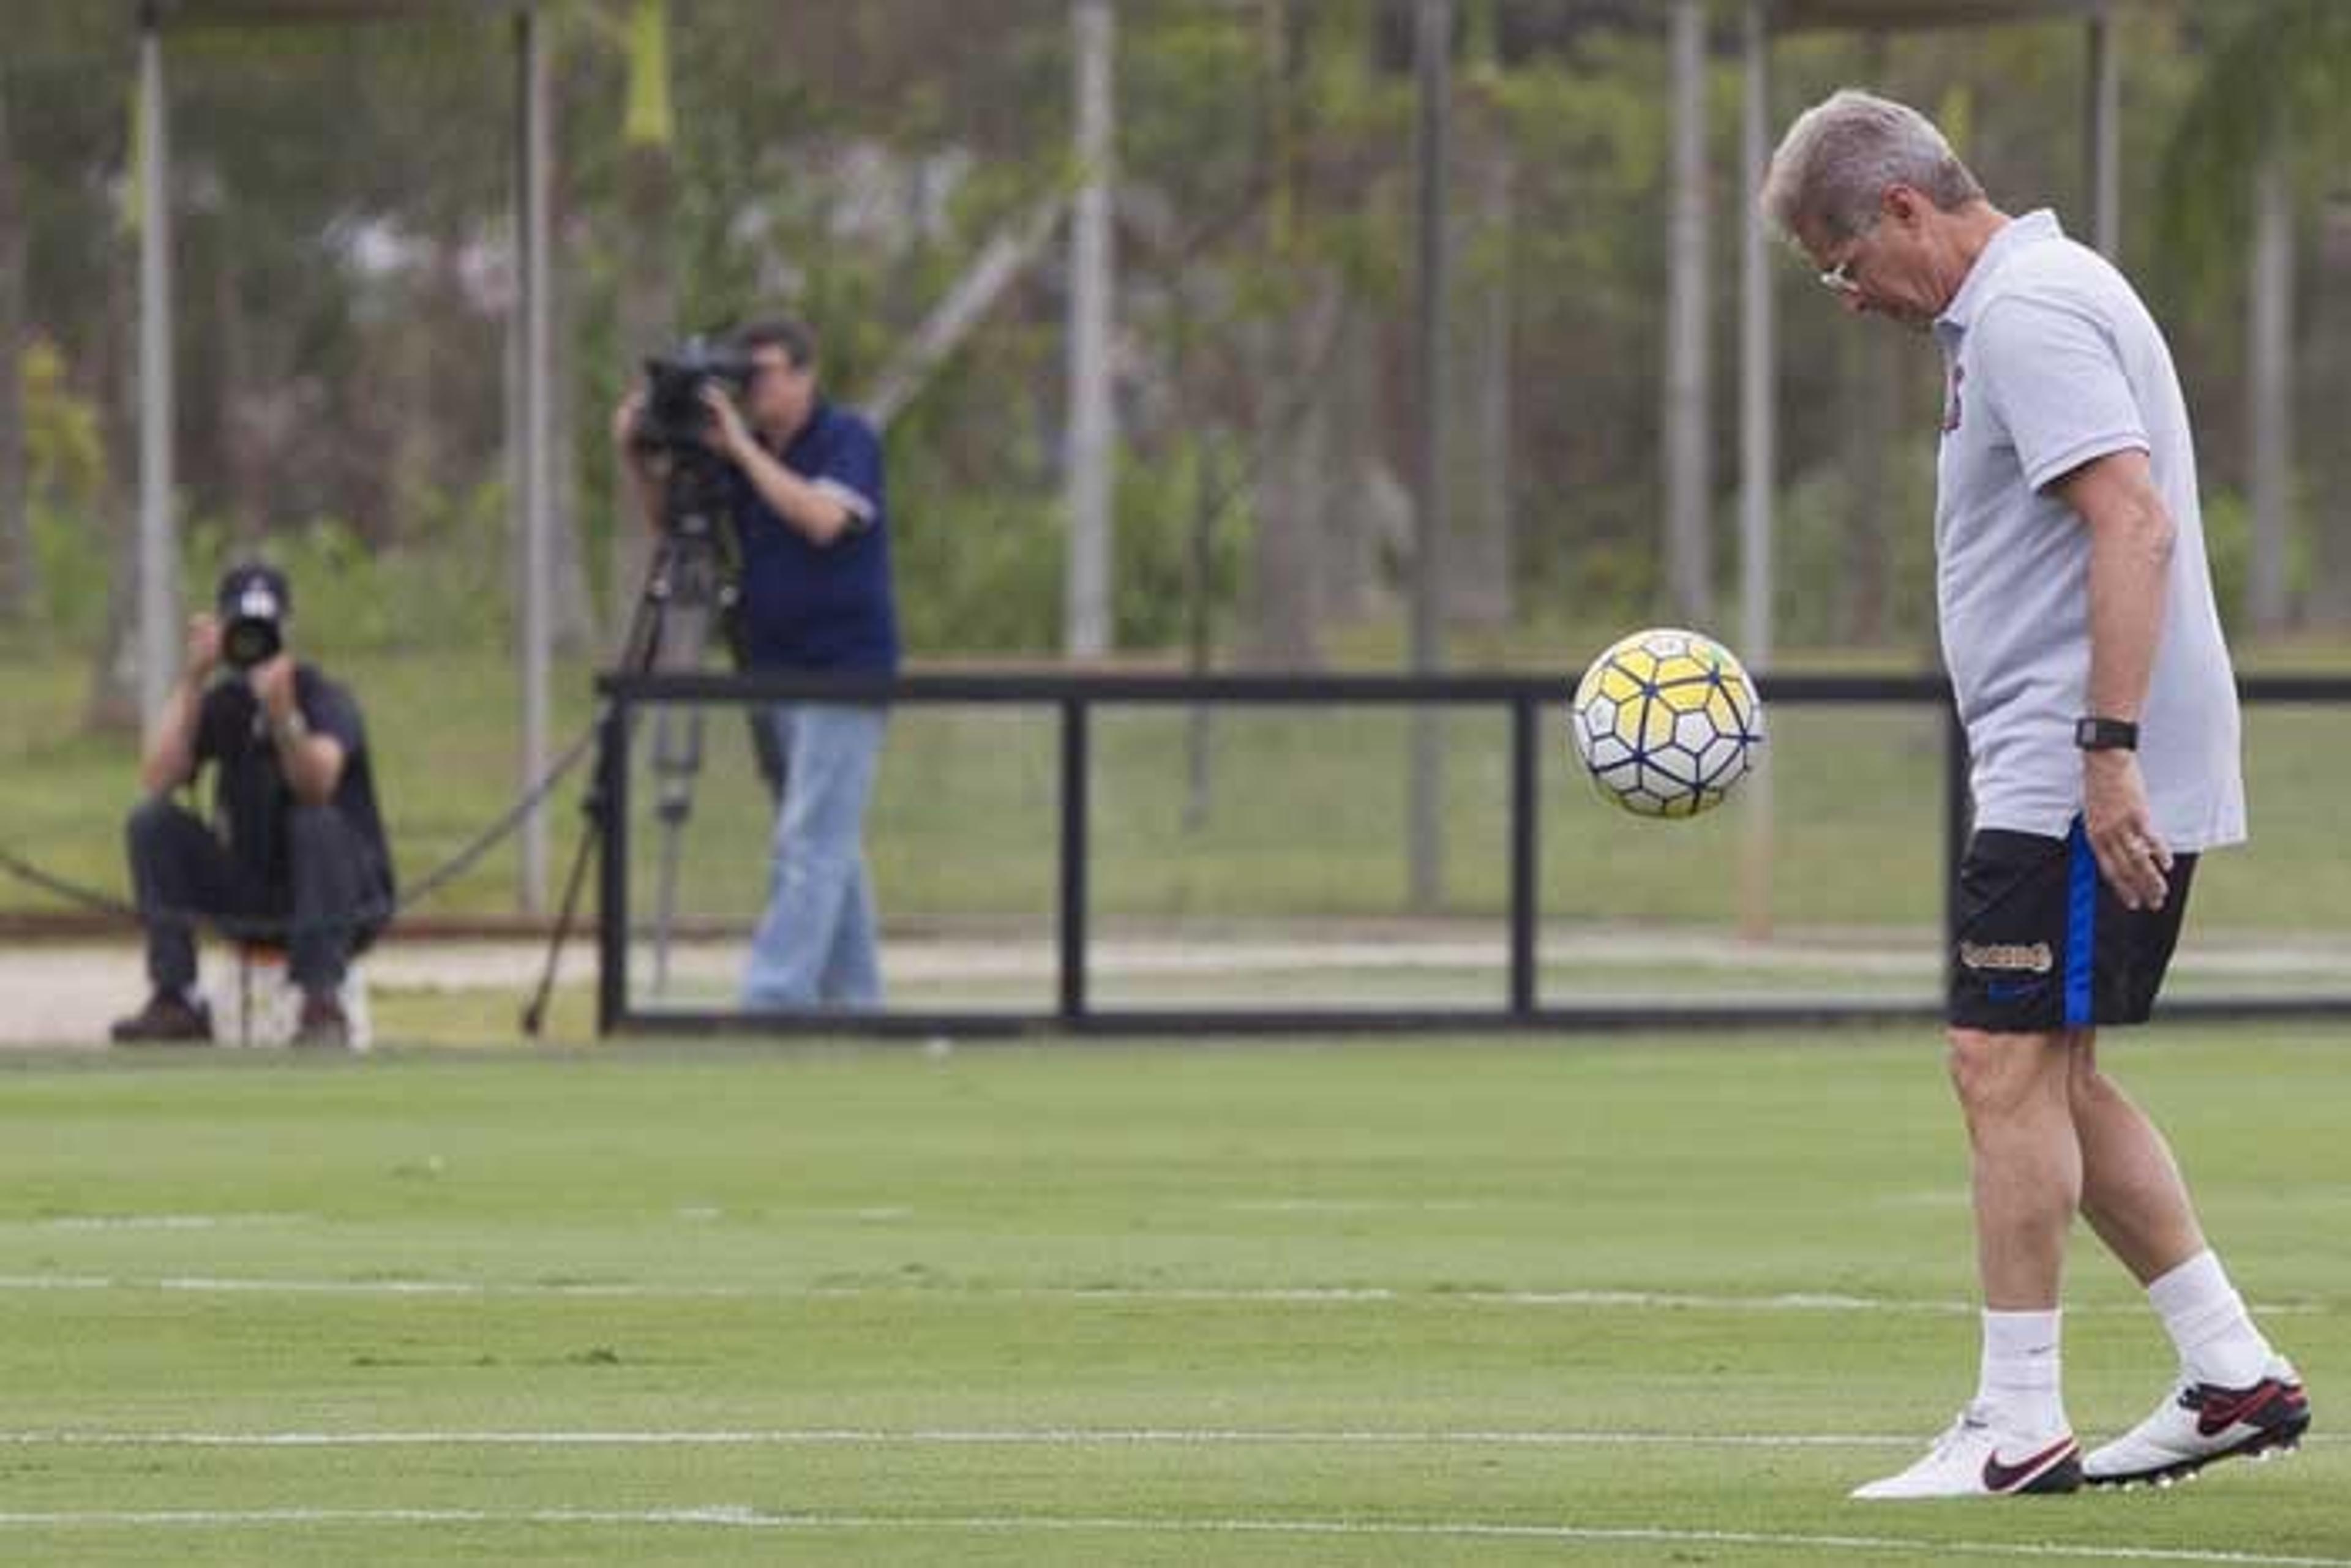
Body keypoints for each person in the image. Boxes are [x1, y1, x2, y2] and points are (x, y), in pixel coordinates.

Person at [1760, 89, 2310, 1499]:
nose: (1847, 298)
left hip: (2068, 766)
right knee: (2045, 1070)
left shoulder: (2022, 311)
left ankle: (2015, 1420)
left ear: (1899, 209)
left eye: (1840, 264)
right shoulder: (2027, 297)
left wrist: (2105, 748)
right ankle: (2228, 1367)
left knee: (1993, 1062)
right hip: (2065, 755)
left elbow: (2130, 517)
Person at [614, 318, 896, 1009]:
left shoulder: (846, 439)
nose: (751, 391)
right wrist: (637, 457)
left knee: (809, 837)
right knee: (826, 839)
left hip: (843, 669)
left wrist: (740, 449)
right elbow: (668, 523)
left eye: (763, 375)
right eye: (742, 377)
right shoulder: (743, 455)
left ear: (805, 375)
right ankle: (858, 1002)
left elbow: (823, 520)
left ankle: (772, 998)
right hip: (773, 667)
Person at [110, 562, 394, 1051]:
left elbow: (318, 784)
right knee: (152, 822)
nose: (254, 644)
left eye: (266, 630)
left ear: (287, 630)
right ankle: (174, 995)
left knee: (315, 822)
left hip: (338, 899)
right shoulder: (224, 703)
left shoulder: (324, 697)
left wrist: (284, 717)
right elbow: (157, 778)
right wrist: (194, 682)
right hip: (253, 890)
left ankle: (320, 1001)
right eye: (243, 629)